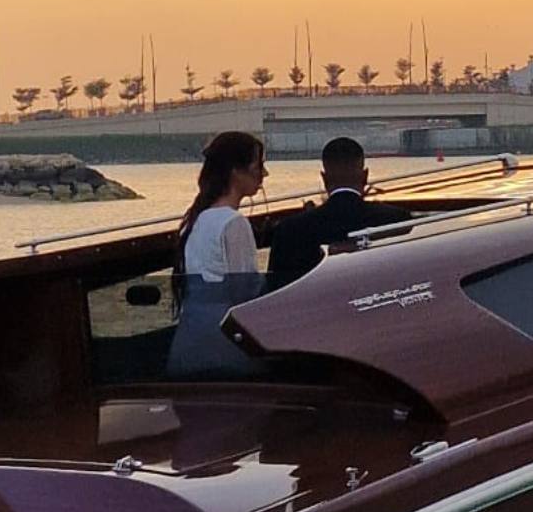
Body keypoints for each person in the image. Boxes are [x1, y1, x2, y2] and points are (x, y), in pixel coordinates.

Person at [166, 131, 268, 378]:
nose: (264, 174)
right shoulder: (233, 223)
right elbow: (244, 295)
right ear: (236, 171)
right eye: (259, 165)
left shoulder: (196, 220)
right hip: (224, 346)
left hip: (190, 340)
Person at [266, 136, 406, 291]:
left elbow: (277, 290)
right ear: (365, 176)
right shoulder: (397, 220)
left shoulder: (289, 230)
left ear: (324, 178)